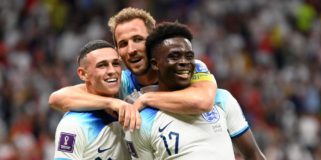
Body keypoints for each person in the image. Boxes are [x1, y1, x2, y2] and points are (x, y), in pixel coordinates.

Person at [48, 7, 217, 131]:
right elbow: (58, 98)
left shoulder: (184, 67)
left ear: (153, 41)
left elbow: (203, 101)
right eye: (123, 44)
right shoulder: (120, 84)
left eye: (137, 39)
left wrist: (146, 99)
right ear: (118, 52)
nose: (131, 49)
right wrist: (112, 102)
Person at [126, 22, 266, 160]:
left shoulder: (222, 99)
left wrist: (146, 97)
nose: (184, 62)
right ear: (155, 64)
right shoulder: (143, 120)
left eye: (189, 56)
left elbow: (254, 156)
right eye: (174, 56)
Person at [53, 40, 131, 160]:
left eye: (116, 64)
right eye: (102, 65)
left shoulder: (128, 99)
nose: (112, 71)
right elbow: (55, 98)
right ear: (83, 74)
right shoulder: (73, 125)